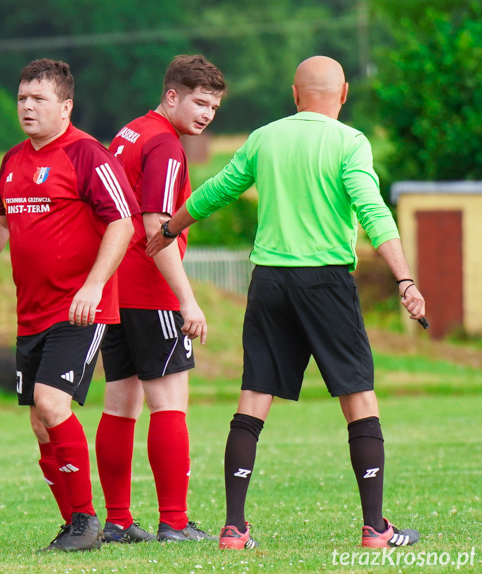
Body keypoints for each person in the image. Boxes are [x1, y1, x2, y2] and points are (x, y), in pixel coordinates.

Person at [145, 55, 426, 550]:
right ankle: (375, 528)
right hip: (326, 283)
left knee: (254, 396)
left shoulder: (265, 137)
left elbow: (219, 191)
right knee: (358, 396)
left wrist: (170, 228)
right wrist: (404, 279)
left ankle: (233, 528)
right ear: (343, 96)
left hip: (270, 282)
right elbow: (373, 211)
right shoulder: (350, 142)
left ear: (295, 95)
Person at [0, 59, 138, 552]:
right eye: (21, 98)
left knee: (51, 404)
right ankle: (75, 526)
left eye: (39, 99)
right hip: (31, 311)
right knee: (39, 421)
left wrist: (94, 285)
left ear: (66, 106)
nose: (27, 107)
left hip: (79, 309)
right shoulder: (13, 159)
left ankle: (86, 522)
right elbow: (0, 219)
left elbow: (123, 223)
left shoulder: (88, 156)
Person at [96, 55, 225, 544]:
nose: (207, 113)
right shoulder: (166, 146)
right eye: (199, 101)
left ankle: (119, 520)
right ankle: (173, 522)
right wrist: (187, 300)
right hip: (150, 290)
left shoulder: (130, 131)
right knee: (169, 402)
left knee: (120, 402)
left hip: (115, 288)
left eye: (213, 106)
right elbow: (156, 228)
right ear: (172, 95)